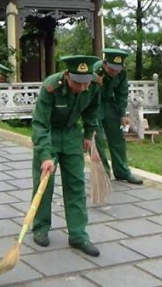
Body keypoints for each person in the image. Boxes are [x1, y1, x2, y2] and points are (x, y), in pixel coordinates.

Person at [31, 55, 101, 257]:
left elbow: (92, 109)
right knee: (44, 183)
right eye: (77, 83)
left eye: (85, 83)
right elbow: (40, 123)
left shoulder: (93, 84)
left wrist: (88, 134)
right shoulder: (51, 87)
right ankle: (40, 227)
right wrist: (44, 155)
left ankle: (78, 234)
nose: (81, 88)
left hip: (71, 134)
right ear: (67, 75)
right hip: (50, 133)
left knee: (76, 183)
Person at [93, 48, 143, 184]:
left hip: (109, 103)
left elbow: (122, 92)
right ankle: (103, 173)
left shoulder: (121, 74)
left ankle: (122, 172)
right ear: (104, 64)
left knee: (118, 136)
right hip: (93, 104)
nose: (115, 72)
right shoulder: (95, 71)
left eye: (117, 69)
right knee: (97, 139)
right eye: (111, 69)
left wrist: (123, 114)